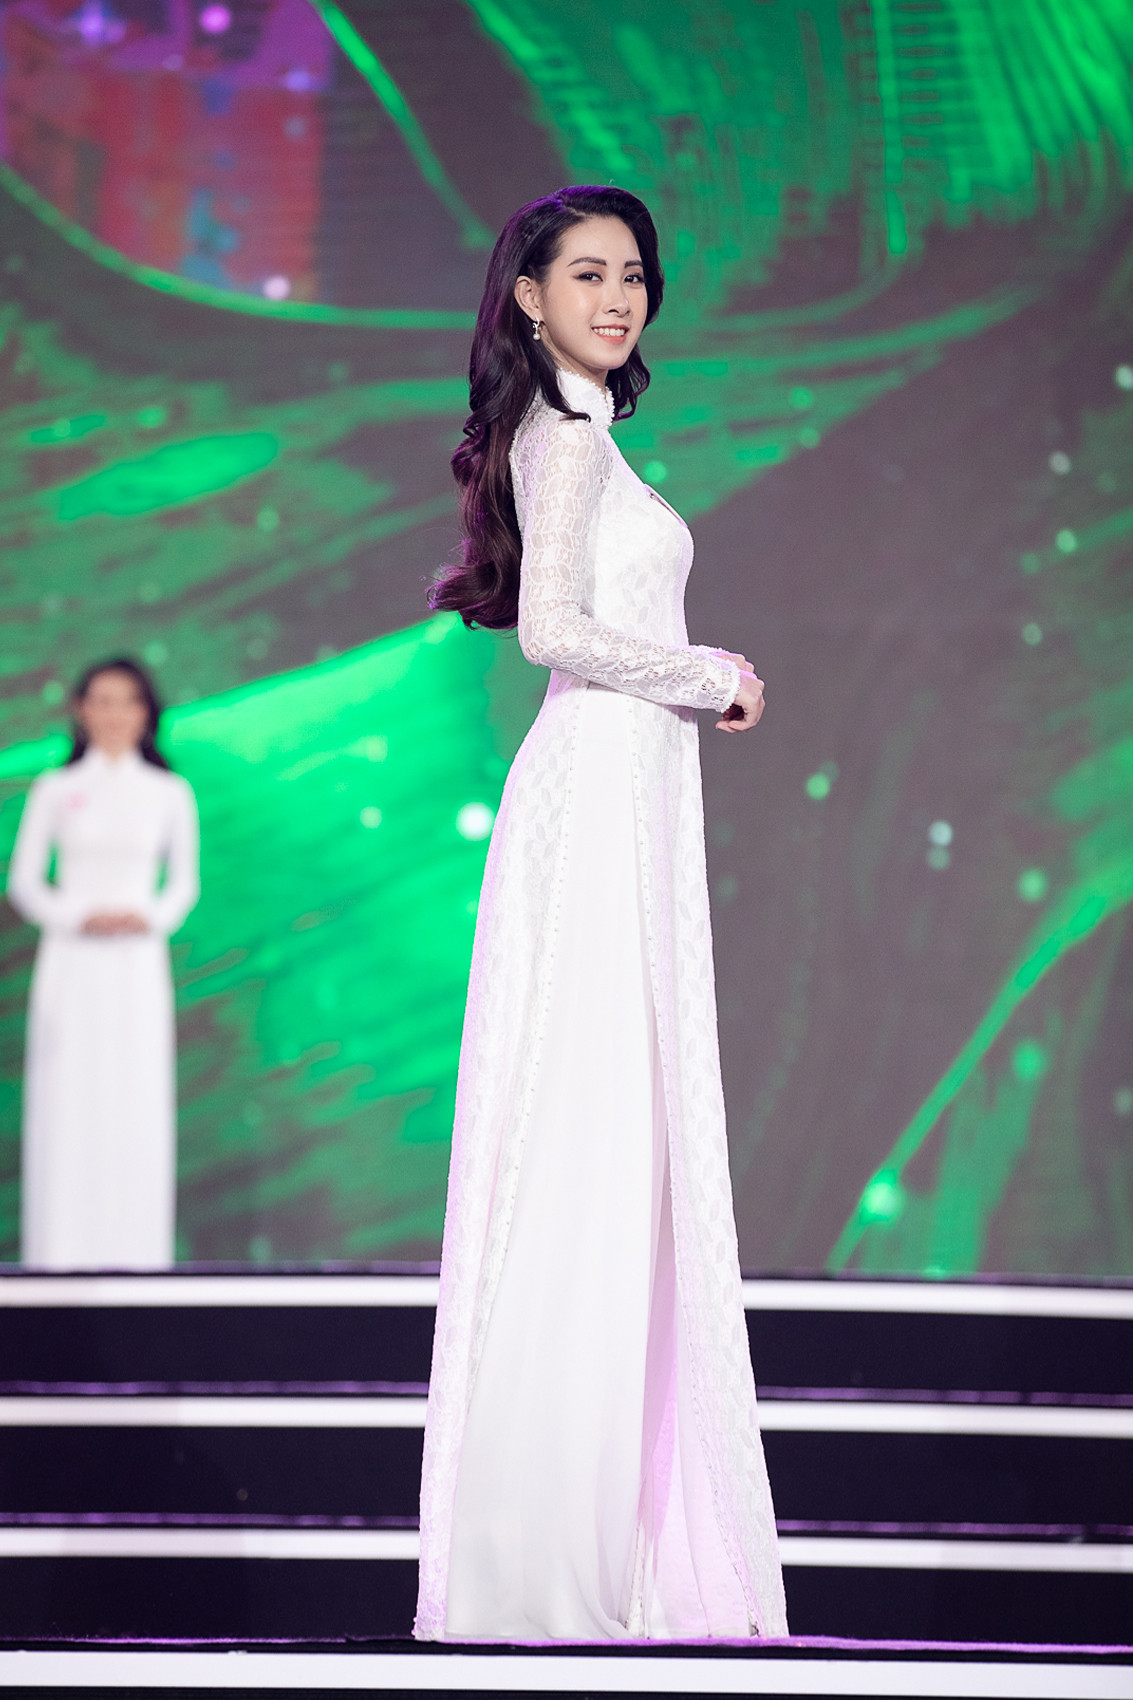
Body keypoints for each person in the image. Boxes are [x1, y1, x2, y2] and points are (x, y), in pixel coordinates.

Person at [414, 186, 787, 1643]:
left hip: (625, 787)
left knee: (616, 1140)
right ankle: (549, 1561)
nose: (618, 296)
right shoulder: (561, 439)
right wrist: (711, 674)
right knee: (585, 1133)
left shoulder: (587, 432)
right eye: (586, 273)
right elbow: (550, 629)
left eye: (632, 273)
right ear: (527, 296)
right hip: (594, 790)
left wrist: (692, 678)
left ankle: (604, 1549)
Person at [8, 659, 199, 1270]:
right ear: (81, 710)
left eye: (127, 702)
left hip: (137, 966)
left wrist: (147, 918)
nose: (114, 715)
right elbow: (24, 882)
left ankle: (138, 1259)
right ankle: (59, 1259)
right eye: (101, 701)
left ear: (146, 714)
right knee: (69, 1099)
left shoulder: (169, 793)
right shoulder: (55, 790)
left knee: (134, 1097)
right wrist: (78, 916)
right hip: (71, 965)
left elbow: (184, 886)